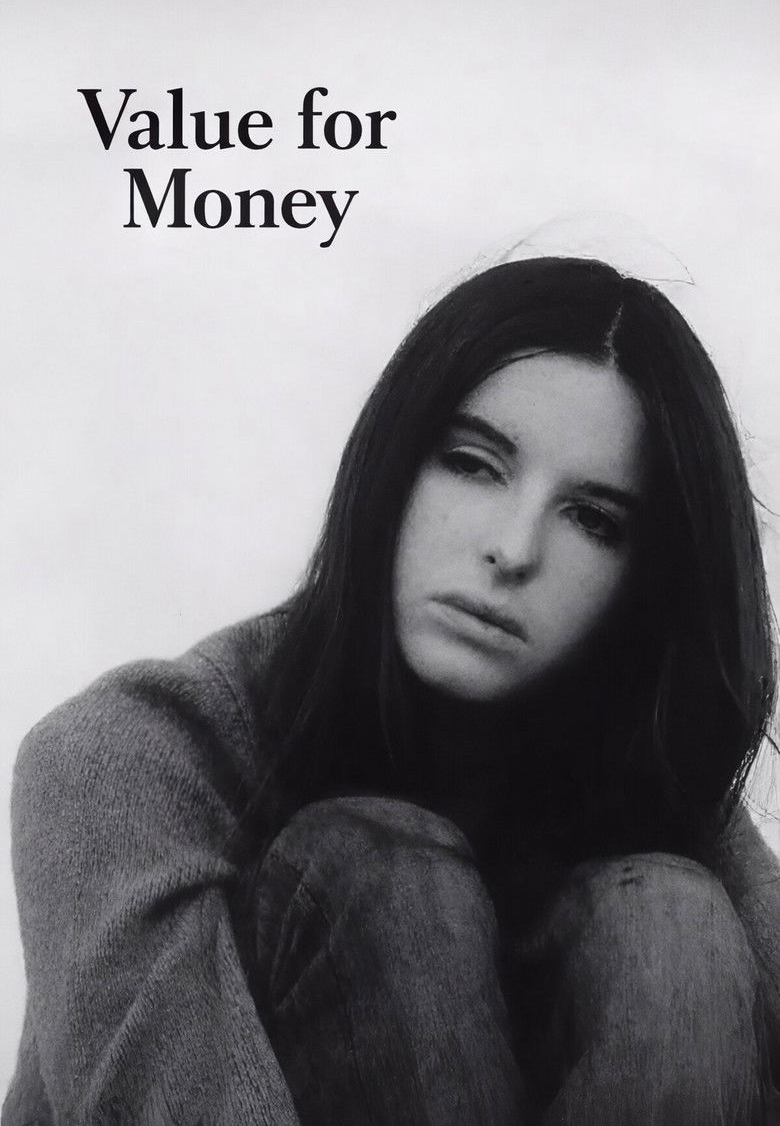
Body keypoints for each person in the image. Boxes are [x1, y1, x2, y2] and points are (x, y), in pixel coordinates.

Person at [5, 256, 780, 1125]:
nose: (513, 549)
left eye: (593, 519)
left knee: (668, 922)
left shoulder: (661, 793)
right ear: (393, 461)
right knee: (380, 876)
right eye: (473, 464)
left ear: (645, 582)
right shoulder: (129, 756)